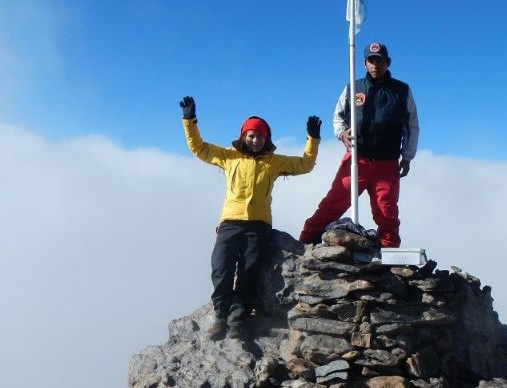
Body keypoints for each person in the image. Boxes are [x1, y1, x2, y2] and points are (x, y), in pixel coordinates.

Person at [179, 96, 321, 340]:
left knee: (248, 272)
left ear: (266, 139)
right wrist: (189, 120)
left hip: (258, 225)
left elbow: (306, 165)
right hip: (230, 222)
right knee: (220, 269)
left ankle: (237, 319)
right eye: (251, 135)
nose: (255, 140)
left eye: (260, 136)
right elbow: (198, 148)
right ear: (243, 136)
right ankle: (220, 315)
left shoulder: (274, 162)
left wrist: (312, 139)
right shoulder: (229, 156)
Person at [299, 42, 419, 248]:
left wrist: (407, 157)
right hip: (357, 158)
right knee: (334, 202)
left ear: (387, 62)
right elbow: (338, 116)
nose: (375, 65)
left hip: (387, 163)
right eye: (371, 60)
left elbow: (411, 125)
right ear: (364, 63)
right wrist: (341, 133)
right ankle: (306, 240)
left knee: (386, 211)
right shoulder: (353, 88)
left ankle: (390, 253)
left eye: (379, 60)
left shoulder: (402, 91)